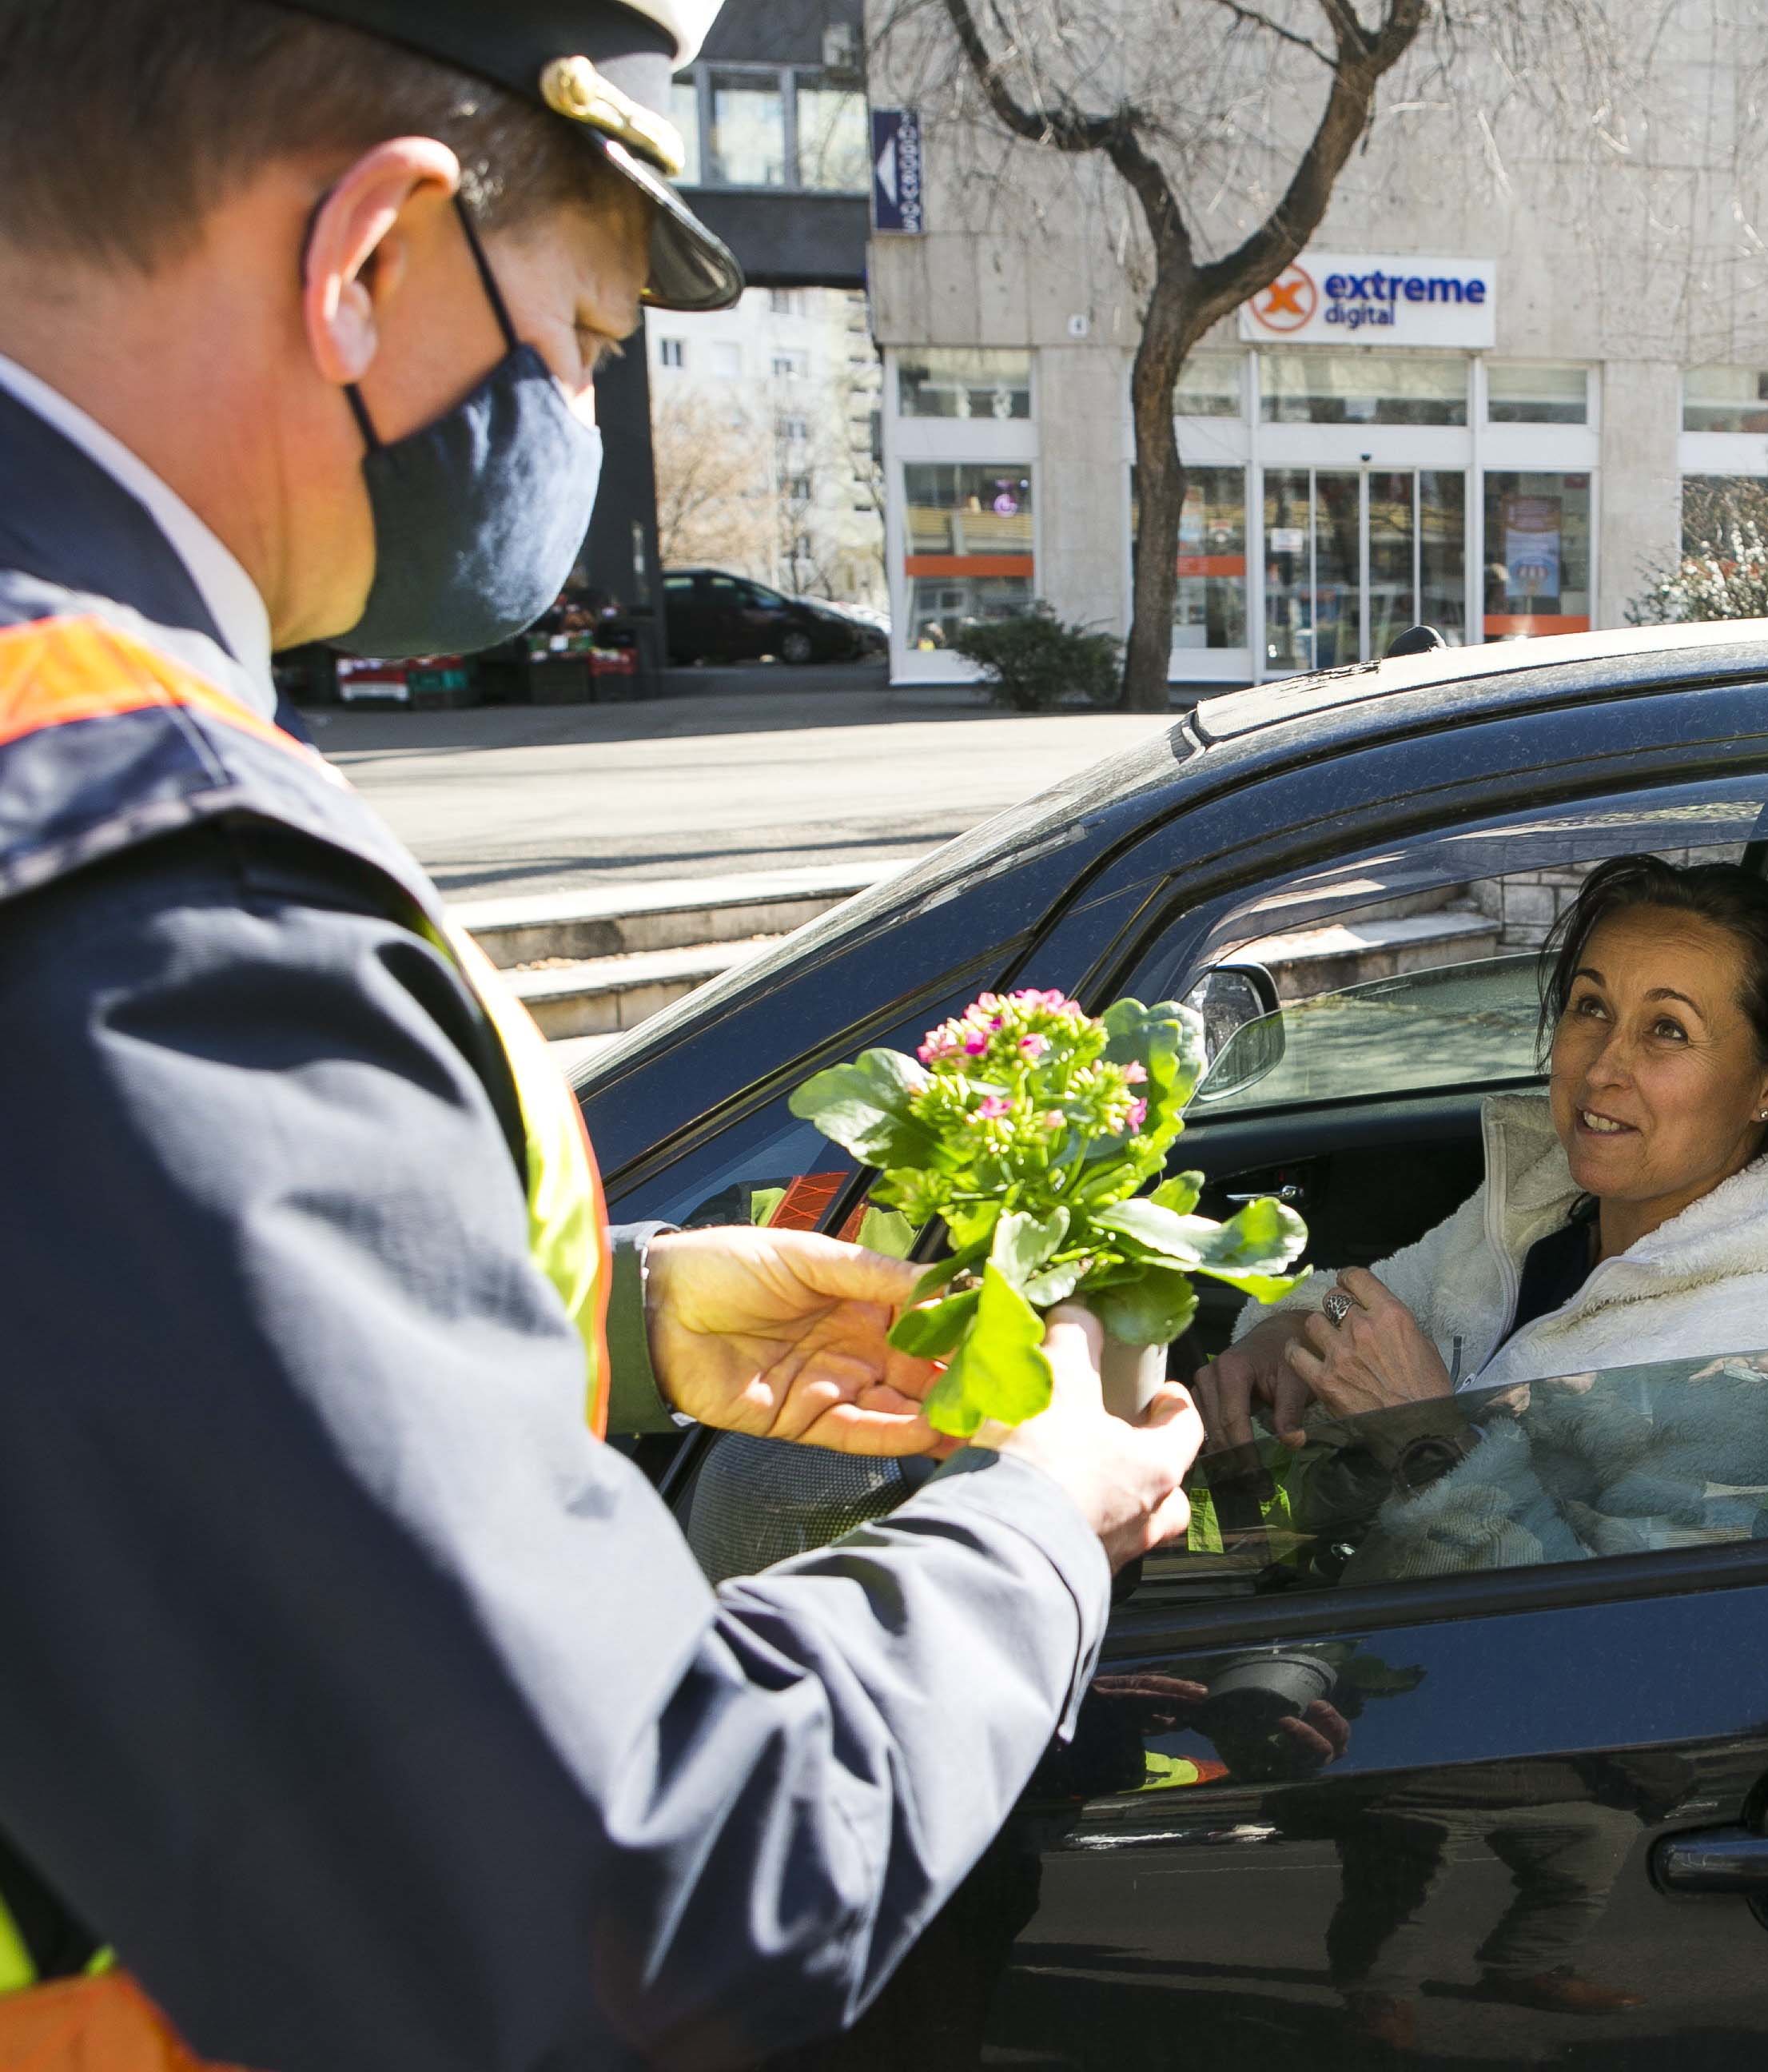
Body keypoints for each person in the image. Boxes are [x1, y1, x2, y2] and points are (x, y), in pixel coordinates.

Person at [0, 6, 1202, 2068]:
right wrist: (1036, 1516)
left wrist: (624, 1322)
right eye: (578, 336)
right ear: (369, 256)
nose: (579, 410)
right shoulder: (142, 874)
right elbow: (649, 1894)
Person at [1190, 854, 1768, 1452]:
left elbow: (1639, 1594)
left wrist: (1426, 1443)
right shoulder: (1545, 1207)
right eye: (1591, 1007)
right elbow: (1367, 1300)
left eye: (1667, 1030)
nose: (1601, 1068)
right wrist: (1288, 1336)